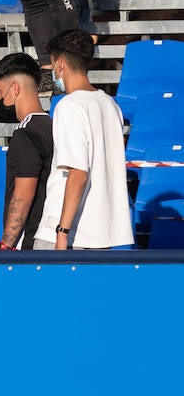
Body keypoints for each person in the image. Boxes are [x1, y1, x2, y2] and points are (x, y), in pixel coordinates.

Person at [32, 29, 132, 251]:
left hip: (67, 234)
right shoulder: (110, 105)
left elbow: (77, 172)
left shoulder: (69, 106)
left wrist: (61, 232)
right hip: (100, 236)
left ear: (60, 65)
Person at [0, 52, 53, 251]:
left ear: (15, 88)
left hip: (31, 241)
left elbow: (23, 195)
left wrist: (6, 244)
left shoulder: (25, 133)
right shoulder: (53, 125)